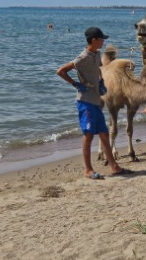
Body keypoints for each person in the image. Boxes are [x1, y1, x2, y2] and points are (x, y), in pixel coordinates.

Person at [56, 26, 131, 179]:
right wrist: (75, 84)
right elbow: (61, 71)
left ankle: (114, 167)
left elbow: (97, 68)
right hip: (85, 102)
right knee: (88, 136)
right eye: (101, 38)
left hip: (96, 101)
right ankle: (88, 170)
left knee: (103, 134)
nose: (103, 41)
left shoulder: (96, 54)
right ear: (94, 40)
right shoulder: (82, 58)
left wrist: (101, 81)